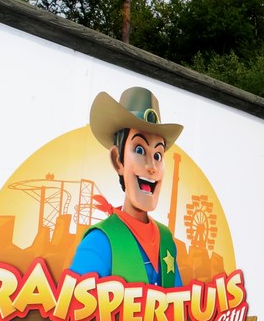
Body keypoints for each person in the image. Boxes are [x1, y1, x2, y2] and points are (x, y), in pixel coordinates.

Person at [70, 86, 183, 287]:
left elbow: (180, 306)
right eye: (139, 149)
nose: (152, 166)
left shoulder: (166, 240)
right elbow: (75, 312)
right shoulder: (99, 242)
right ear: (117, 160)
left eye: (158, 155)